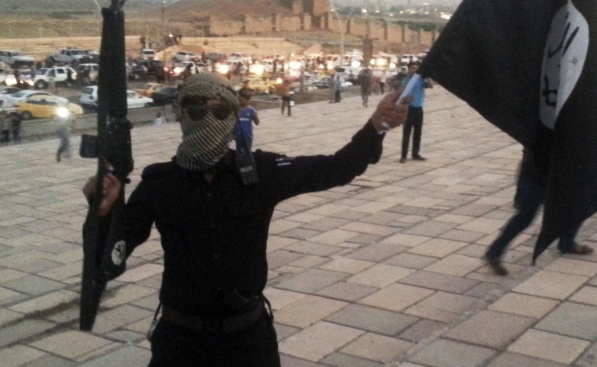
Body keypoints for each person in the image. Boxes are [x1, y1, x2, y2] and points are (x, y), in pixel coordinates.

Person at [81, 74, 410, 367]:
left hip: (247, 341)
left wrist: (377, 126)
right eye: (197, 109)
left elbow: (337, 167)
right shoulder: (159, 184)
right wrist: (103, 213)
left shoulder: (259, 172)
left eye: (220, 110)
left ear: (233, 116)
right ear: (181, 114)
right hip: (181, 342)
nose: (208, 117)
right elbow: (112, 257)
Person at [484, 149, 592, 275]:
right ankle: (495, 252)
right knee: (526, 216)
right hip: (540, 172)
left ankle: (567, 242)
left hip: (549, 170)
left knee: (574, 205)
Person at [400, 62, 432, 163]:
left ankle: (415, 154)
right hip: (408, 109)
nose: (415, 70)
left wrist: (428, 76)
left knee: (418, 132)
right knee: (406, 132)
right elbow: (401, 93)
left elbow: (431, 86)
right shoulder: (405, 80)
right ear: (409, 69)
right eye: (413, 68)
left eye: (417, 68)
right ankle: (403, 155)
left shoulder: (421, 80)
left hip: (418, 109)